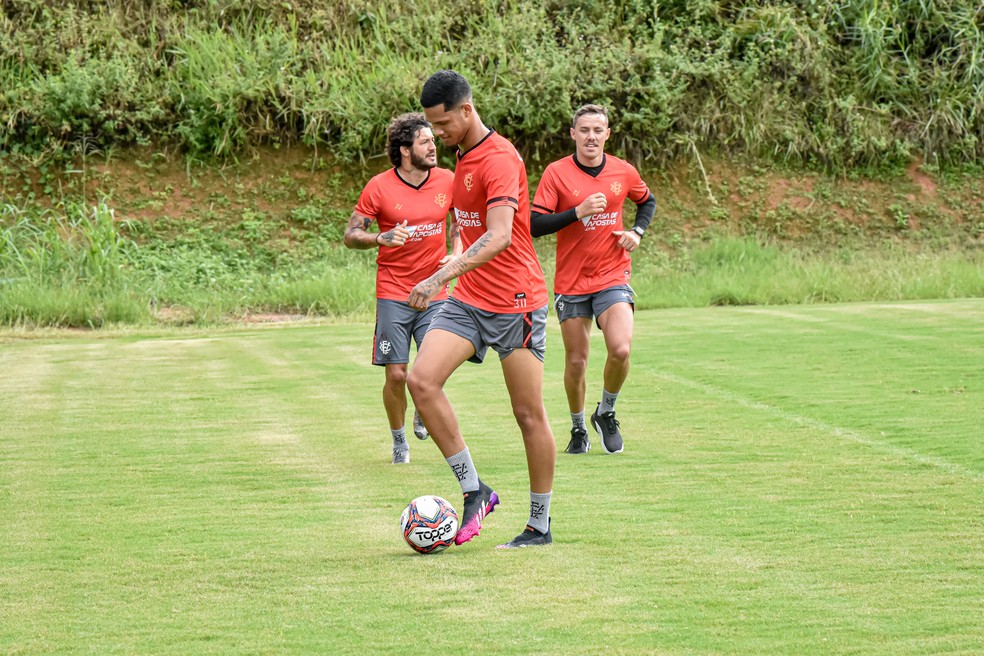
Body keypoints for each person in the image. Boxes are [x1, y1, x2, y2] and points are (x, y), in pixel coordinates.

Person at [407, 70, 556, 549]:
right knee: (421, 381)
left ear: (467, 111)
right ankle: (475, 490)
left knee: (528, 413)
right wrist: (454, 257)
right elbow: (467, 227)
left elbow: (499, 234)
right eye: (430, 128)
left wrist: (436, 277)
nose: (437, 135)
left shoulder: (500, 158)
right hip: (470, 299)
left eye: (443, 124)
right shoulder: (462, 152)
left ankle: (539, 524)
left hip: (517, 303)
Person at [530, 104, 657, 455]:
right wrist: (576, 212)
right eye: (584, 130)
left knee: (620, 347)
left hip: (612, 274)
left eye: (597, 130)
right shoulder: (556, 173)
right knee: (576, 361)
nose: (590, 136)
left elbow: (647, 201)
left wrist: (638, 231)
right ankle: (577, 427)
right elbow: (534, 224)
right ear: (573, 134)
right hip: (571, 282)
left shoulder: (622, 170)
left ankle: (607, 411)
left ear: (607, 135)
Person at [343, 112, 459, 465]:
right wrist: (382, 237)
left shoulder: (447, 180)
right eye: (425, 141)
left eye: (433, 140)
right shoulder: (379, 186)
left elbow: (460, 222)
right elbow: (351, 236)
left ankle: (423, 408)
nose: (433, 146)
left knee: (432, 365)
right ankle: (399, 442)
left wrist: (455, 254)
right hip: (393, 292)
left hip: (435, 290)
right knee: (397, 374)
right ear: (405, 150)